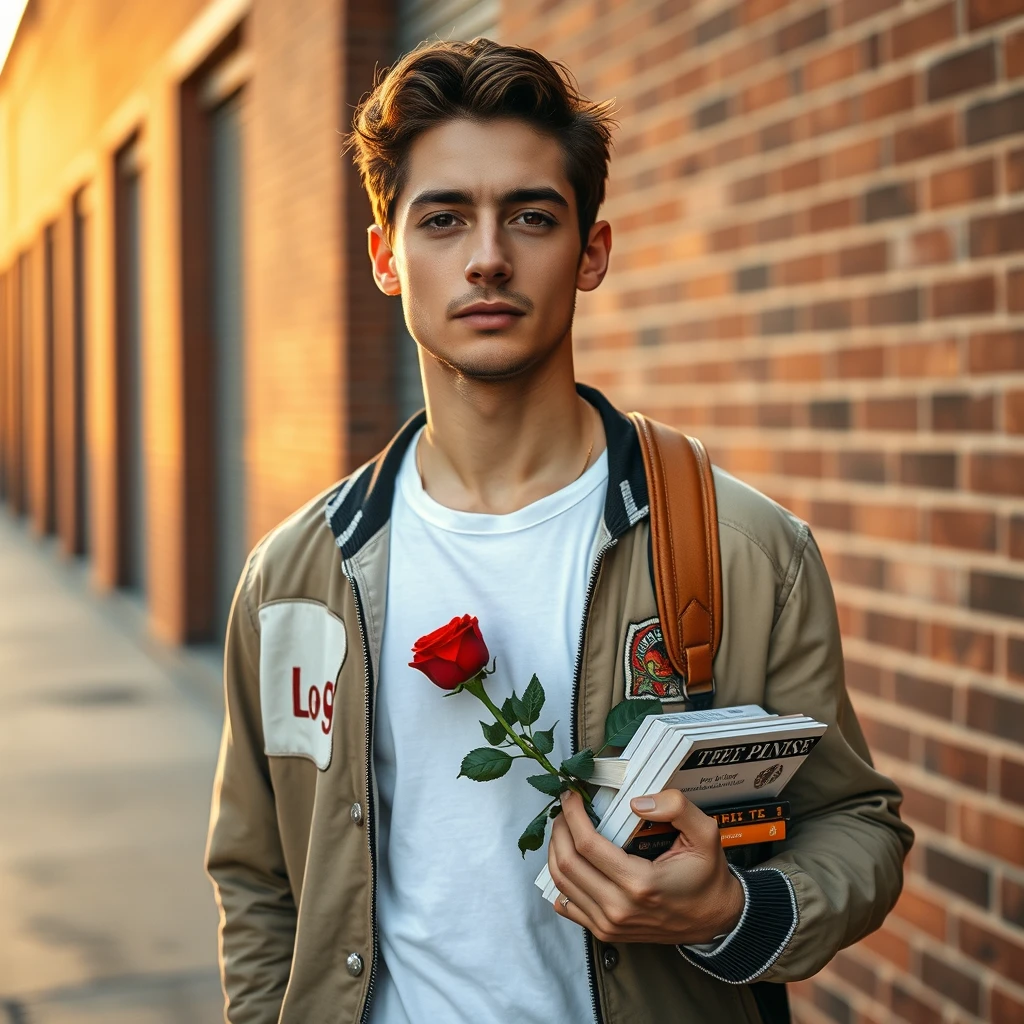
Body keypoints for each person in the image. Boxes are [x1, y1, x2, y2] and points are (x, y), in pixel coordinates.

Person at [205, 37, 913, 1024]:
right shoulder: (293, 578)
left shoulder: (746, 551)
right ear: (385, 257)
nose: (488, 256)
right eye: (443, 218)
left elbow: (856, 825)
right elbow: (256, 873)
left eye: (530, 217)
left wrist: (727, 907)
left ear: (591, 252)